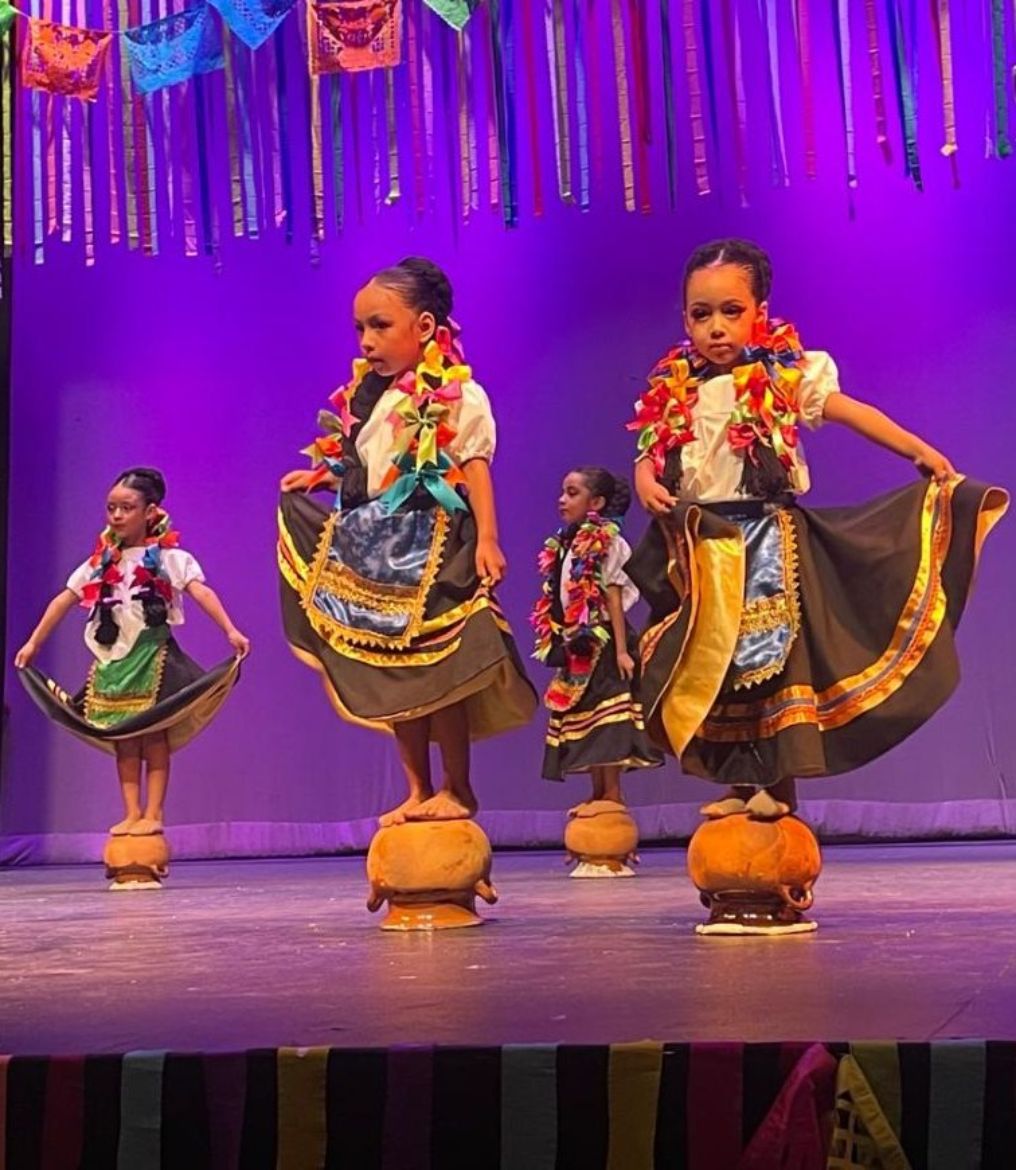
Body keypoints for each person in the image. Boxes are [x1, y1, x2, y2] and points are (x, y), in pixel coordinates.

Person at [627, 237, 1008, 819]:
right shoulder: (676, 389)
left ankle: (778, 788)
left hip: (764, 540)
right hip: (703, 544)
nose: (716, 327)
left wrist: (916, 449)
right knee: (719, 666)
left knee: (770, 661)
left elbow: (850, 411)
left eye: (731, 311)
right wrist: (643, 479)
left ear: (760, 313)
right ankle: (738, 783)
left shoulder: (784, 375)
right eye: (701, 315)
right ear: (685, 320)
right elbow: (652, 451)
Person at [278, 257, 536, 827]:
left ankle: (457, 788)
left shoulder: (456, 394)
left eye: (380, 326)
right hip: (376, 544)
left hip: (433, 543)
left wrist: (489, 539)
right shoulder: (370, 396)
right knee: (393, 673)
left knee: (437, 673)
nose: (367, 341)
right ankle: (417, 789)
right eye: (360, 329)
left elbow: (474, 467)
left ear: (423, 327)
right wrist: (320, 477)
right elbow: (368, 467)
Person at [16, 467, 249, 836]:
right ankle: (131, 812)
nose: (117, 516)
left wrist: (230, 629)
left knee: (154, 735)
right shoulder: (100, 563)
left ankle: (153, 813)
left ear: (150, 511)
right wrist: (34, 642)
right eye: (111, 508)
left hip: (152, 655)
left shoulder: (170, 559)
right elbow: (64, 600)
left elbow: (200, 592)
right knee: (123, 738)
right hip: (112, 661)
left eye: (127, 508)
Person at [532, 467, 662, 816]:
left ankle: (613, 795)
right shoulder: (566, 543)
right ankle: (597, 792)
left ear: (597, 503)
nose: (562, 500)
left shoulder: (607, 541)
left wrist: (621, 651)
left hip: (605, 641)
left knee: (608, 718)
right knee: (586, 716)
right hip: (579, 641)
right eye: (563, 492)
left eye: (572, 493)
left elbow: (614, 596)